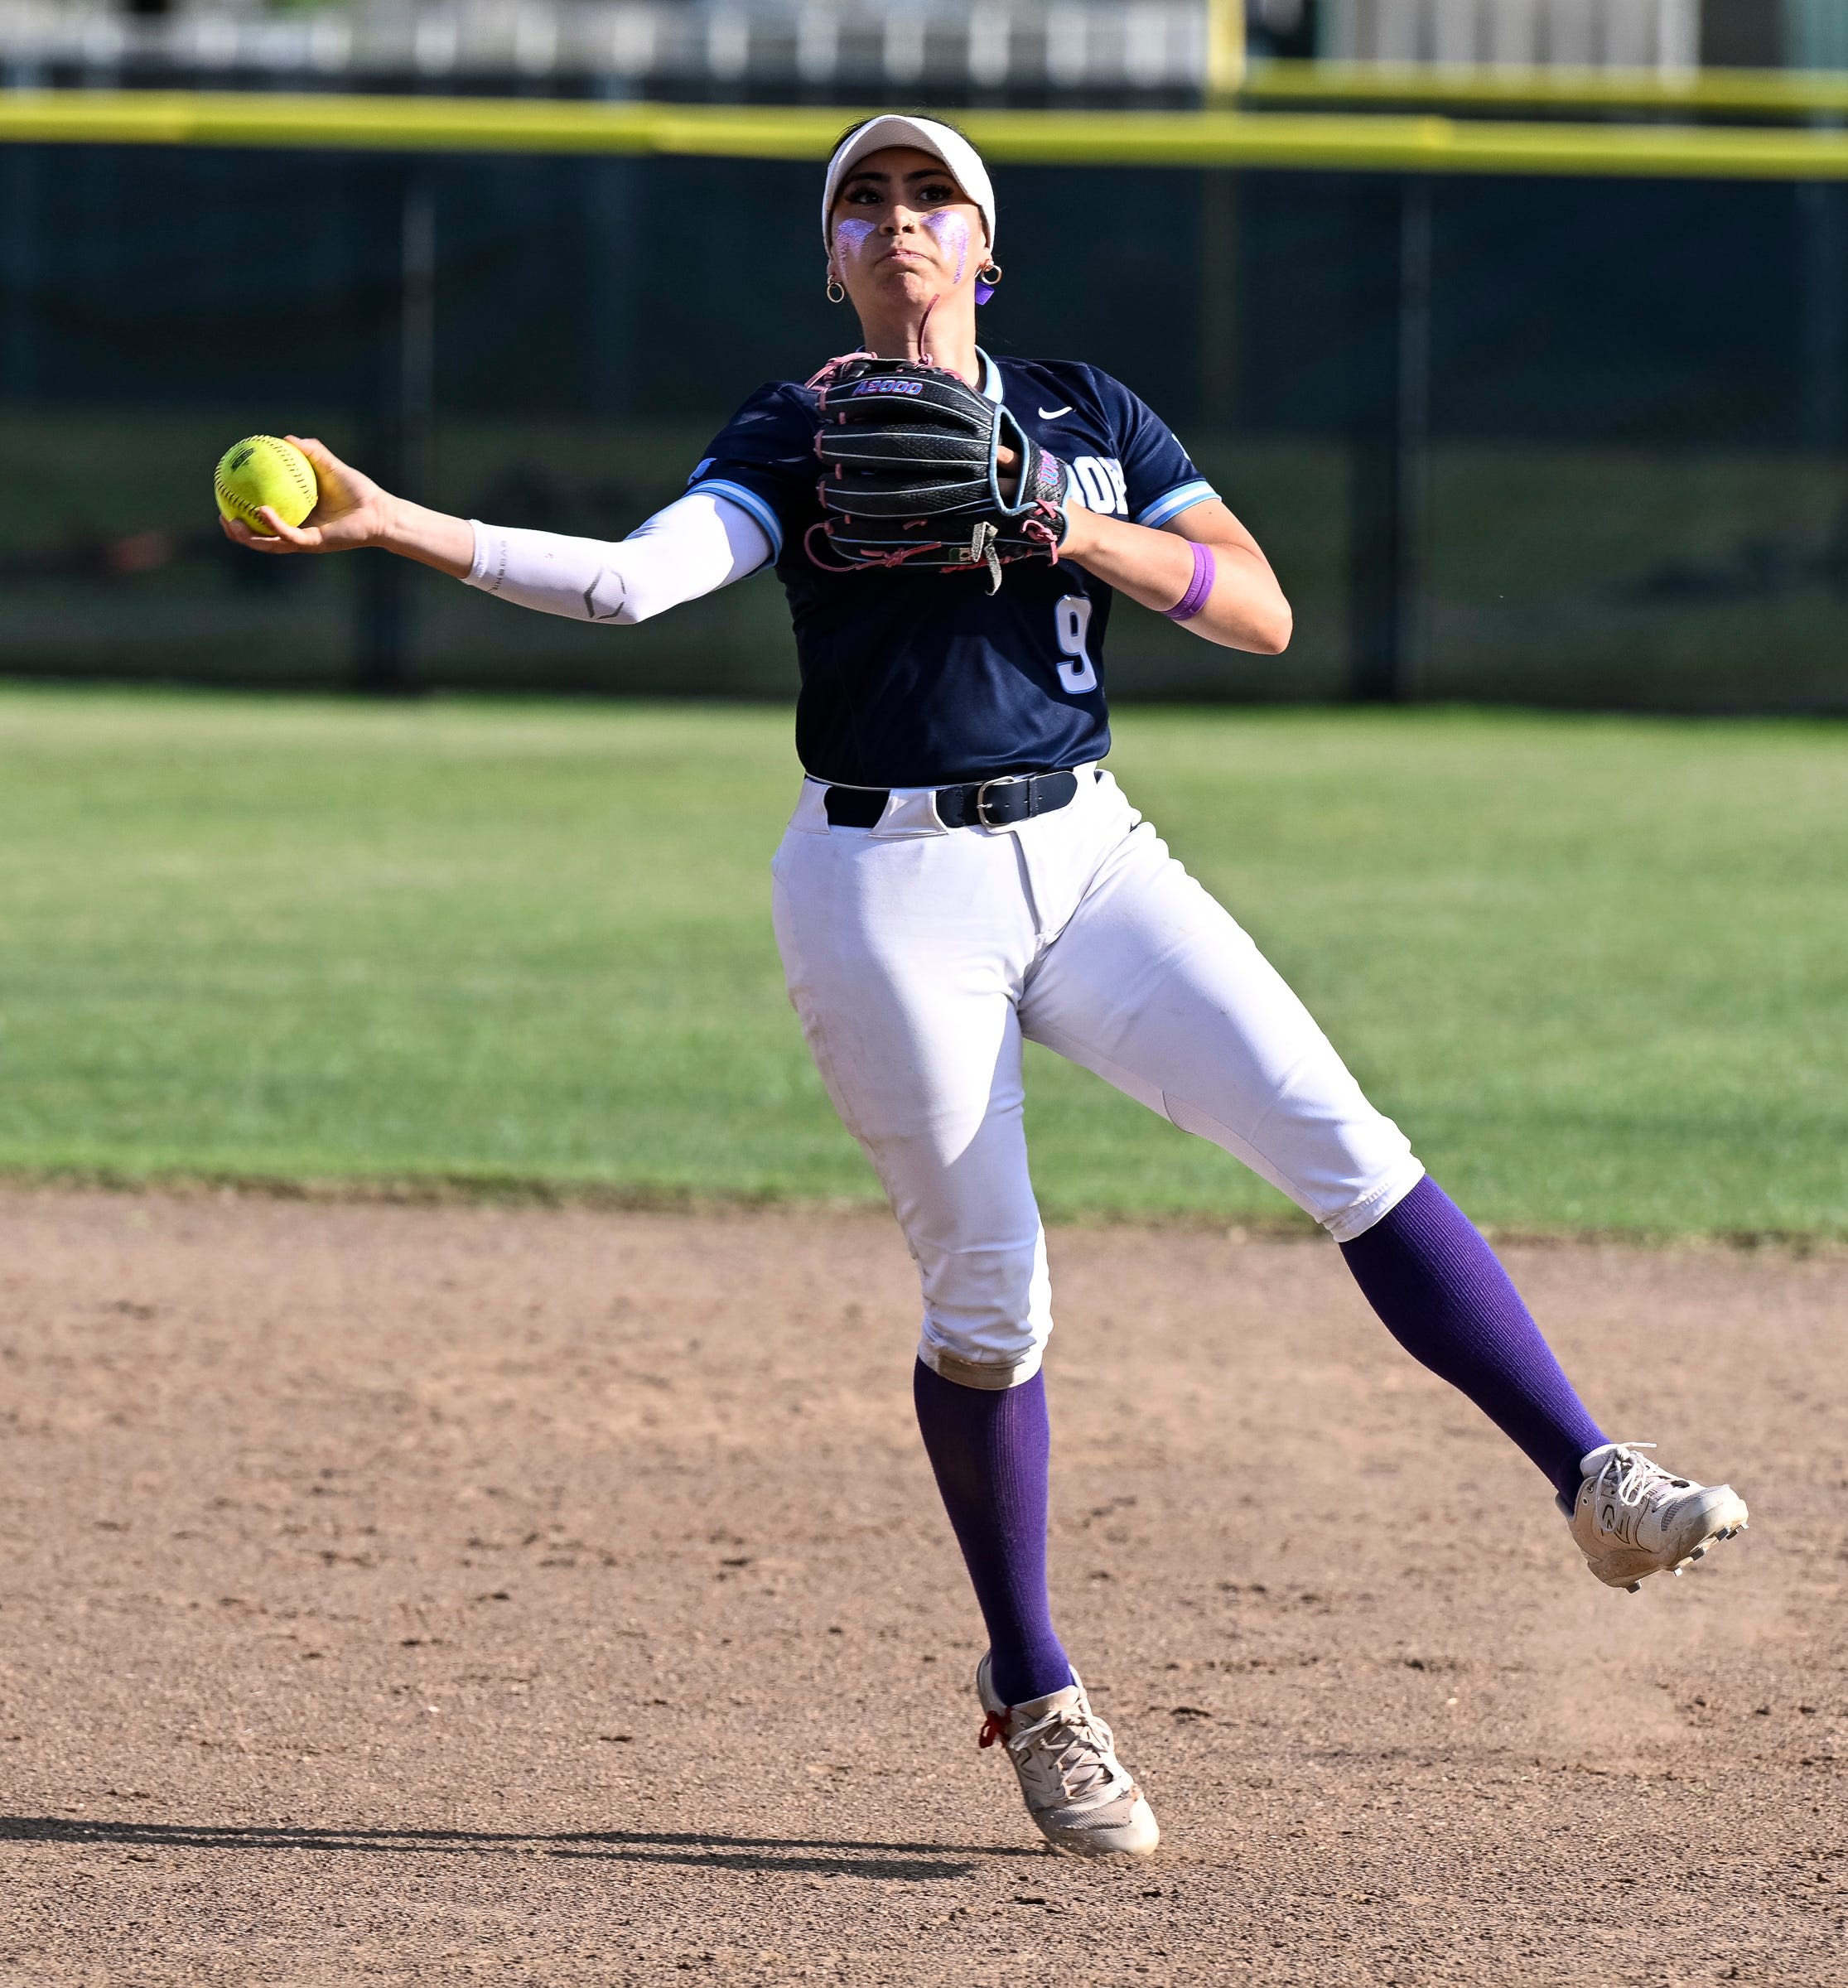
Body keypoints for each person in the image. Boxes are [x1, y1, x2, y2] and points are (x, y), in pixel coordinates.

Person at [224, 113, 1749, 1863]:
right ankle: (1035, 1686)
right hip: (883, 887)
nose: (897, 219)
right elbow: (635, 584)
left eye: (928, 192)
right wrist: (387, 521)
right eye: (861, 202)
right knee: (993, 1308)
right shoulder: (791, 434)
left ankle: (1591, 1480)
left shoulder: (1092, 415)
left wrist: (1061, 526)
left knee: (1345, 1139)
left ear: (984, 247)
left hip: (1092, 852)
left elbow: (1259, 613)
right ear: (834, 262)